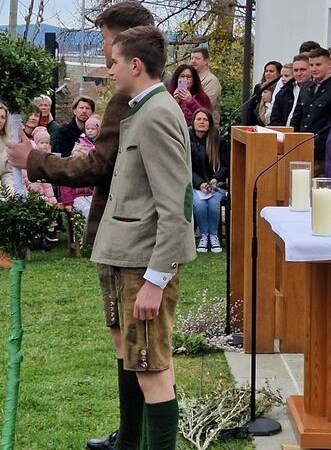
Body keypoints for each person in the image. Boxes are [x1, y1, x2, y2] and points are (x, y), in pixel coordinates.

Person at [7, 0, 155, 450]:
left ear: (126, 42)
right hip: (128, 231)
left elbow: (97, 166)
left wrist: (35, 160)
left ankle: (132, 439)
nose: (105, 51)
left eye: (107, 40)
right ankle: (130, 433)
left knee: (134, 345)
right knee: (124, 339)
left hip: (128, 232)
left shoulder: (130, 100)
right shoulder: (140, 95)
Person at [92, 24, 195, 450]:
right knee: (136, 359)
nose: (109, 69)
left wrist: (156, 279)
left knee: (152, 368)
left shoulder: (157, 115)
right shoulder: (143, 109)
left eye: (114, 62)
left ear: (135, 65)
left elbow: (177, 206)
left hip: (143, 264)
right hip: (124, 254)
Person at [290, 48, 331, 173]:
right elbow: (297, 117)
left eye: (318, 65)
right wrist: (293, 138)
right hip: (299, 148)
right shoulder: (306, 87)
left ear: (328, 64)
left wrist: (315, 143)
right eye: (311, 65)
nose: (314, 69)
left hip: (321, 153)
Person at [189, 109, 228, 253]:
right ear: (193, 122)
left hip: (216, 185)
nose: (201, 122)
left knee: (212, 204)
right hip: (195, 185)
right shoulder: (186, 141)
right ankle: (204, 235)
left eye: (205, 119)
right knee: (199, 205)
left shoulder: (219, 141)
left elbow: (226, 166)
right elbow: (185, 167)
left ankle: (213, 236)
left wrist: (215, 179)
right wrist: (200, 183)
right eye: (198, 119)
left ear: (210, 123)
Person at [269, 55, 312, 127]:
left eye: (303, 70)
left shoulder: (316, 90)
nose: (299, 73)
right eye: (296, 70)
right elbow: (275, 118)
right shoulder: (284, 91)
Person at [22, 126, 57, 204]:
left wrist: (53, 201)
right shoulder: (25, 167)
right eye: (42, 143)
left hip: (45, 199)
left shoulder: (49, 159)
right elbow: (23, 186)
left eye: (47, 143)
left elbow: (47, 187)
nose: (45, 145)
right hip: (32, 201)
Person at [188, 46, 221, 123]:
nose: (193, 61)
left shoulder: (211, 81)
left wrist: (189, 100)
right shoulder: (190, 79)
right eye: (192, 58)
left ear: (206, 61)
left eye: (197, 58)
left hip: (207, 126)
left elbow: (207, 107)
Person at [244, 60, 281, 126]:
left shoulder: (281, 89)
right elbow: (251, 108)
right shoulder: (258, 87)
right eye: (266, 71)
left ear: (279, 74)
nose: (268, 73)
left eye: (271, 71)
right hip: (257, 124)